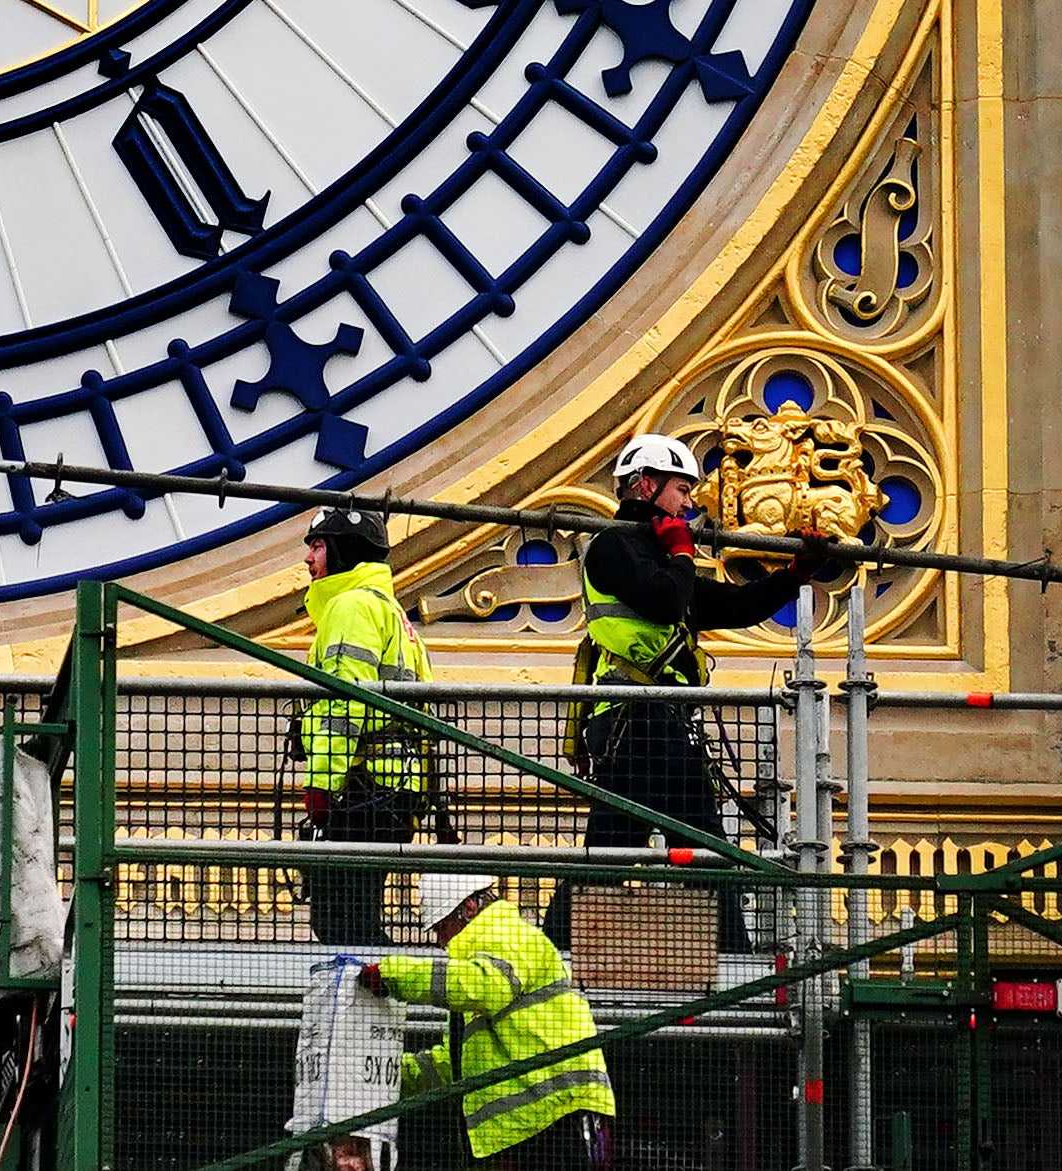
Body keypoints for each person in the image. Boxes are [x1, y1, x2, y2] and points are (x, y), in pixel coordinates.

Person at [569, 433, 854, 956]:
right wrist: (680, 552)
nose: (690, 503)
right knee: (687, 839)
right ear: (645, 486)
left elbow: (737, 605)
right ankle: (730, 953)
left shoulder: (657, 557)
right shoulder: (614, 545)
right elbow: (662, 601)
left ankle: (567, 941)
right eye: (681, 489)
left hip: (657, 722)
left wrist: (795, 574)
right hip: (636, 720)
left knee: (629, 843)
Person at [338, 871, 616, 1170]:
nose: (441, 941)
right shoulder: (481, 962)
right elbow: (452, 1063)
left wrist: (394, 976)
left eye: (442, 927)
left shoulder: (508, 935)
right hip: (533, 1122)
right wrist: (385, 1075)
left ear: (469, 907)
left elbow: (486, 986)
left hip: (557, 1115)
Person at [297, 504, 436, 946]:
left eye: (317, 546)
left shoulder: (351, 607)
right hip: (393, 786)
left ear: (342, 551)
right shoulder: (393, 613)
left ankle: (374, 999)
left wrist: (321, 786)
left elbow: (345, 705)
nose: (308, 559)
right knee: (357, 913)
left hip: (360, 786)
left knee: (340, 919)